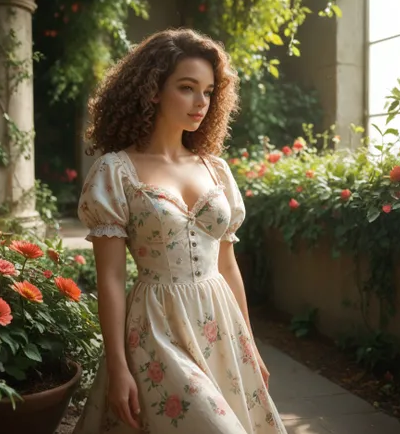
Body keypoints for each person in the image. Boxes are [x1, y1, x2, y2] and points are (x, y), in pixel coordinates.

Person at [73, 28, 287, 434]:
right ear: (153, 90)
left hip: (220, 326)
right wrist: (118, 365)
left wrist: (250, 348)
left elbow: (227, 265)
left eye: (208, 92)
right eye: (187, 88)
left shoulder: (216, 169)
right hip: (156, 327)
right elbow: (112, 278)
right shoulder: (116, 171)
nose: (200, 103)